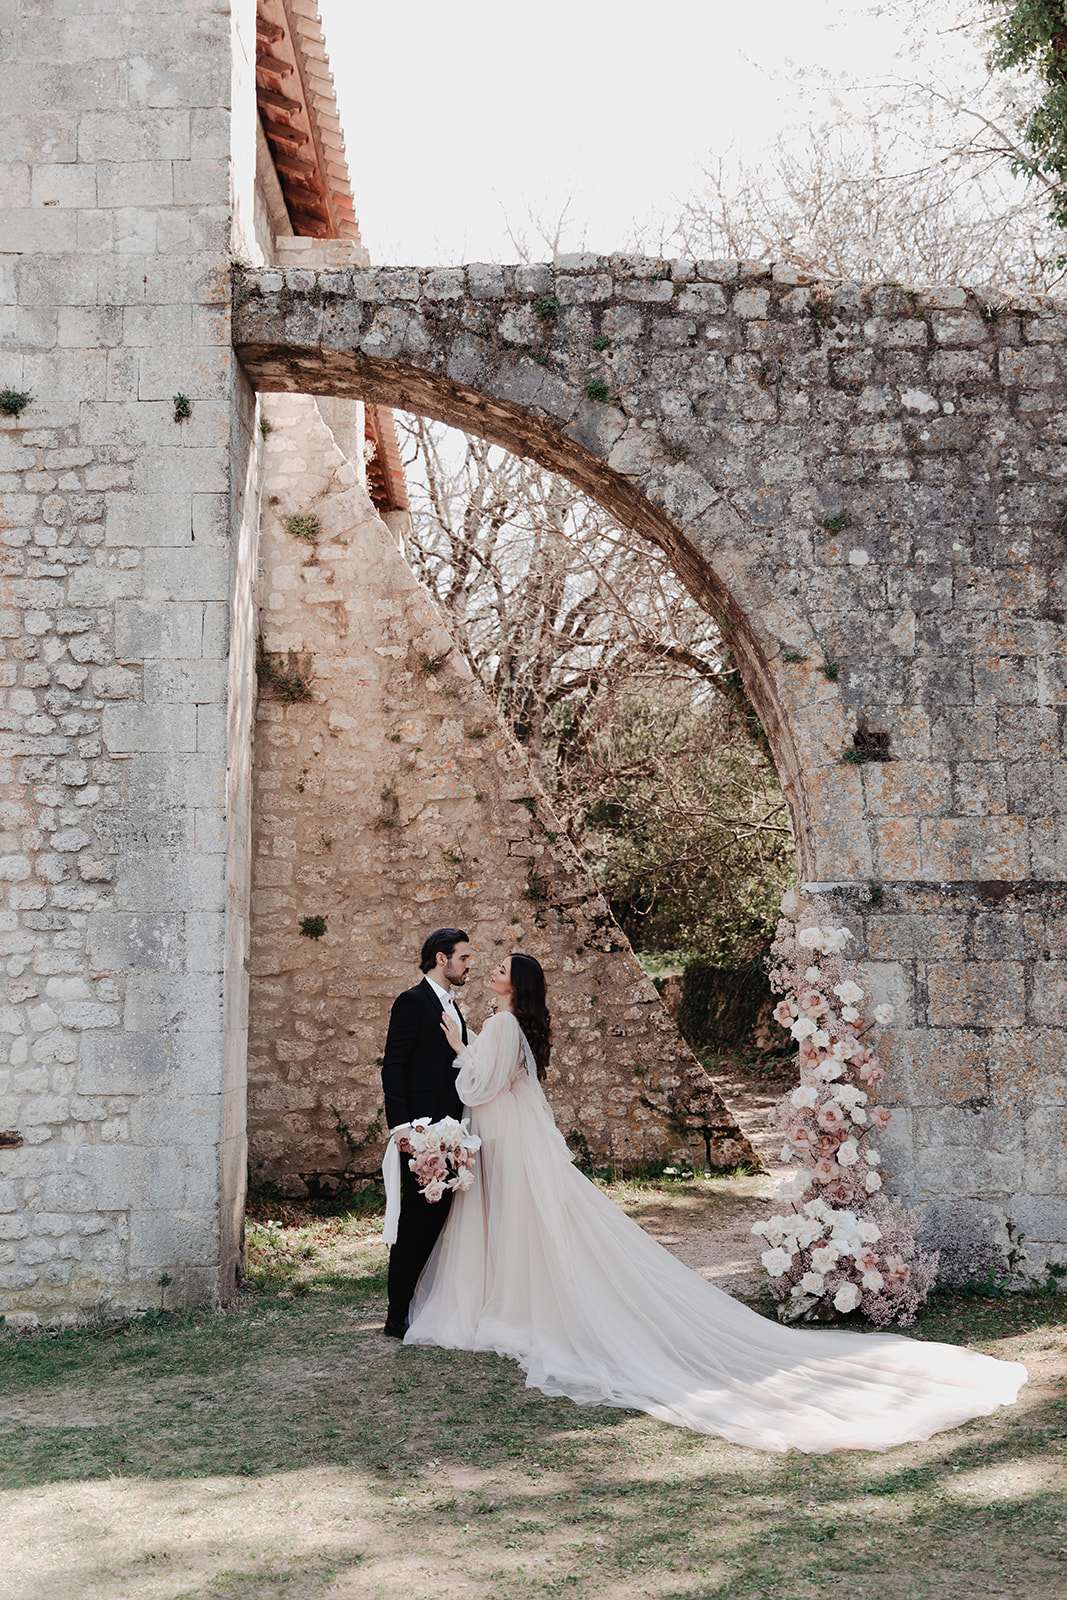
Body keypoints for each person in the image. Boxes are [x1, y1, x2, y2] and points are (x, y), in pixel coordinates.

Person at [400, 950, 1028, 1454]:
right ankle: (517, 1300)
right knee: (525, 1222)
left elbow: (479, 1082)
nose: (494, 971)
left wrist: (459, 1046)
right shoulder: (517, 1025)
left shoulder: (505, 1023)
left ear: (518, 986)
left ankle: (515, 1305)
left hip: (508, 1137)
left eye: (504, 969)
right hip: (516, 1135)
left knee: (519, 1220)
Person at [380, 927, 472, 1338]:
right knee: (415, 1224)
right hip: (419, 1133)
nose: (469, 964)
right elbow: (393, 1066)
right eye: (464, 957)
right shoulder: (411, 1002)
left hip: (451, 1133)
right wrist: (402, 1128)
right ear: (441, 958)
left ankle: (419, 1304)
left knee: (437, 1222)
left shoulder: (454, 1007)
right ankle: (396, 1314)